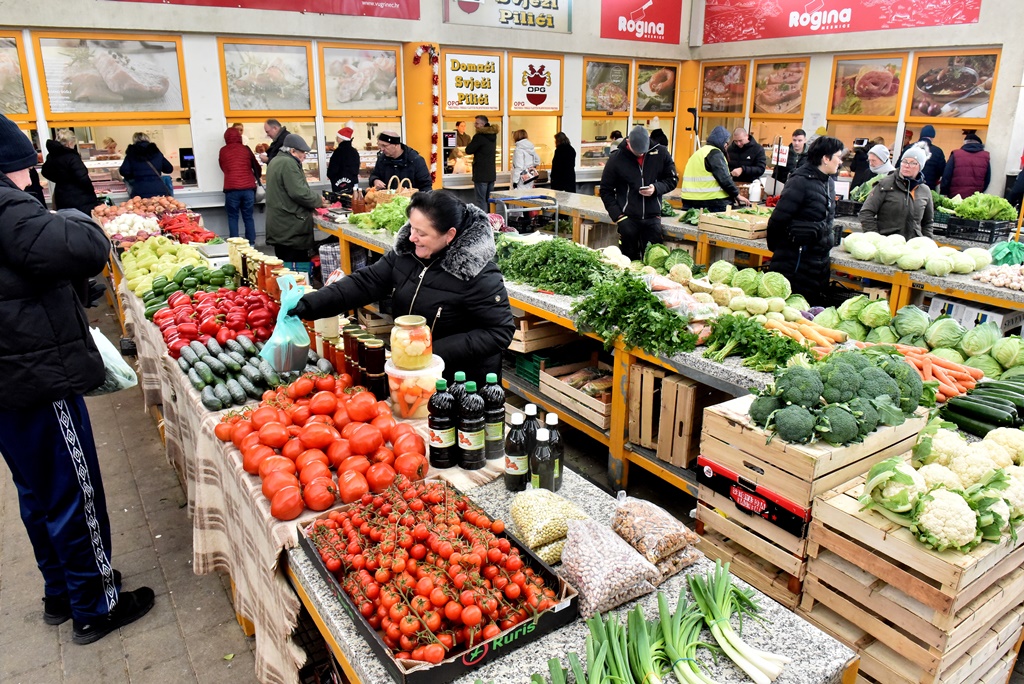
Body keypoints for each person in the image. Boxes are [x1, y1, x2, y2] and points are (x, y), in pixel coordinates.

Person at [0, 113, 154, 644]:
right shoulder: (7, 205)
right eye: (27, 169)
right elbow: (83, 248)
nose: (32, 178)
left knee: (36, 490)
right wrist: (80, 215)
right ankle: (96, 605)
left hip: (11, 383)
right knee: (73, 490)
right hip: (35, 376)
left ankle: (61, 592)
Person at [288, 190, 514, 385]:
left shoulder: (478, 273)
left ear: (450, 235)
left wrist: (428, 352)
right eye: (412, 227)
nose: (412, 237)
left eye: (422, 233)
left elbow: (499, 332)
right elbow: (365, 282)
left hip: (461, 383)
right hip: (411, 373)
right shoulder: (406, 254)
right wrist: (310, 304)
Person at [765, 135, 846, 305]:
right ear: (825, 158)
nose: (840, 162)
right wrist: (781, 250)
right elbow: (777, 221)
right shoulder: (800, 181)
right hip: (795, 263)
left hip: (818, 263)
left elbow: (828, 219)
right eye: (838, 157)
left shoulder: (828, 183)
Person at [599, 126, 678, 261]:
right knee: (628, 263)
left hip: (652, 219)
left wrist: (656, 188)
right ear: (628, 142)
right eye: (637, 152)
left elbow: (672, 179)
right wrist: (619, 217)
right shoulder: (616, 159)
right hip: (628, 220)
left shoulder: (661, 153)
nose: (641, 154)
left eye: (644, 152)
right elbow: (606, 190)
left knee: (654, 263)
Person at [265, 133, 323, 270]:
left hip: (281, 226)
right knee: (297, 270)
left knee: (284, 269)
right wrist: (318, 200)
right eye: (303, 153)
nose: (304, 156)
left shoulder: (275, 161)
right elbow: (299, 193)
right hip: (291, 228)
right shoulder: (288, 163)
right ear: (292, 151)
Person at [859, 143, 934, 240]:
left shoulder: (925, 191)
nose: (907, 166)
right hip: (887, 246)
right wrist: (876, 239)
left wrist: (926, 242)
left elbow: (928, 222)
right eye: (905, 161)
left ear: (920, 166)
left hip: (912, 247)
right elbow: (866, 213)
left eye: (913, 163)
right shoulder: (885, 184)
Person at [679, 125, 746, 212]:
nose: (727, 145)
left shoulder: (698, 153)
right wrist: (737, 195)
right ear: (721, 142)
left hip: (689, 201)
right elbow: (724, 179)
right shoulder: (715, 153)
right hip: (712, 201)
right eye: (726, 142)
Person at [218, 125, 261, 245]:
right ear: (239, 137)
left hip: (231, 189)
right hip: (248, 189)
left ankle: (235, 245)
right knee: (248, 217)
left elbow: (223, 167)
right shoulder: (246, 149)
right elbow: (256, 166)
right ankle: (251, 244)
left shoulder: (223, 151)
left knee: (233, 217)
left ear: (226, 138)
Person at [42, 129, 101, 216]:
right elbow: (83, 178)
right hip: (79, 198)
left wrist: (60, 180)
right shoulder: (72, 157)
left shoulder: (52, 156)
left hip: (61, 196)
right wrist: (91, 193)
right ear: (70, 143)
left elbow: (45, 171)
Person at [118, 132, 173, 198]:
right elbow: (169, 169)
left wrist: (135, 173)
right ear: (148, 139)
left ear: (134, 140)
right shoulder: (156, 152)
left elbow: (124, 171)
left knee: (142, 207)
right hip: (159, 190)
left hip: (139, 191)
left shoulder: (131, 153)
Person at [464, 115, 498, 211]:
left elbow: (468, 150)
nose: (475, 125)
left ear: (483, 124)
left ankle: (483, 222)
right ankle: (492, 221)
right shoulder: (493, 136)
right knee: (489, 200)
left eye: (477, 123)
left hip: (481, 174)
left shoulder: (479, 137)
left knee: (481, 200)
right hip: (491, 174)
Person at [942, 133, 991, 198]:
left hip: (955, 196)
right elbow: (987, 179)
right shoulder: (985, 157)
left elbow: (946, 175)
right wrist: (980, 192)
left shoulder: (956, 154)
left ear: (965, 143)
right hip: (974, 198)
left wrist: (944, 191)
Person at [900, 125, 945, 189]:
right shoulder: (938, 151)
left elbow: (898, 166)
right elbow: (942, 171)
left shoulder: (908, 148)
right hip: (928, 186)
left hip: (906, 185)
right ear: (932, 138)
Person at [326, 121, 361, 197]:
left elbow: (333, 170)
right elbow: (356, 169)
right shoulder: (354, 151)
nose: (336, 138)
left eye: (337, 137)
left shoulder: (338, 152)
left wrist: (330, 174)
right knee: (353, 201)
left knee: (341, 201)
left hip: (339, 185)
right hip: (353, 184)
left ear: (340, 138)